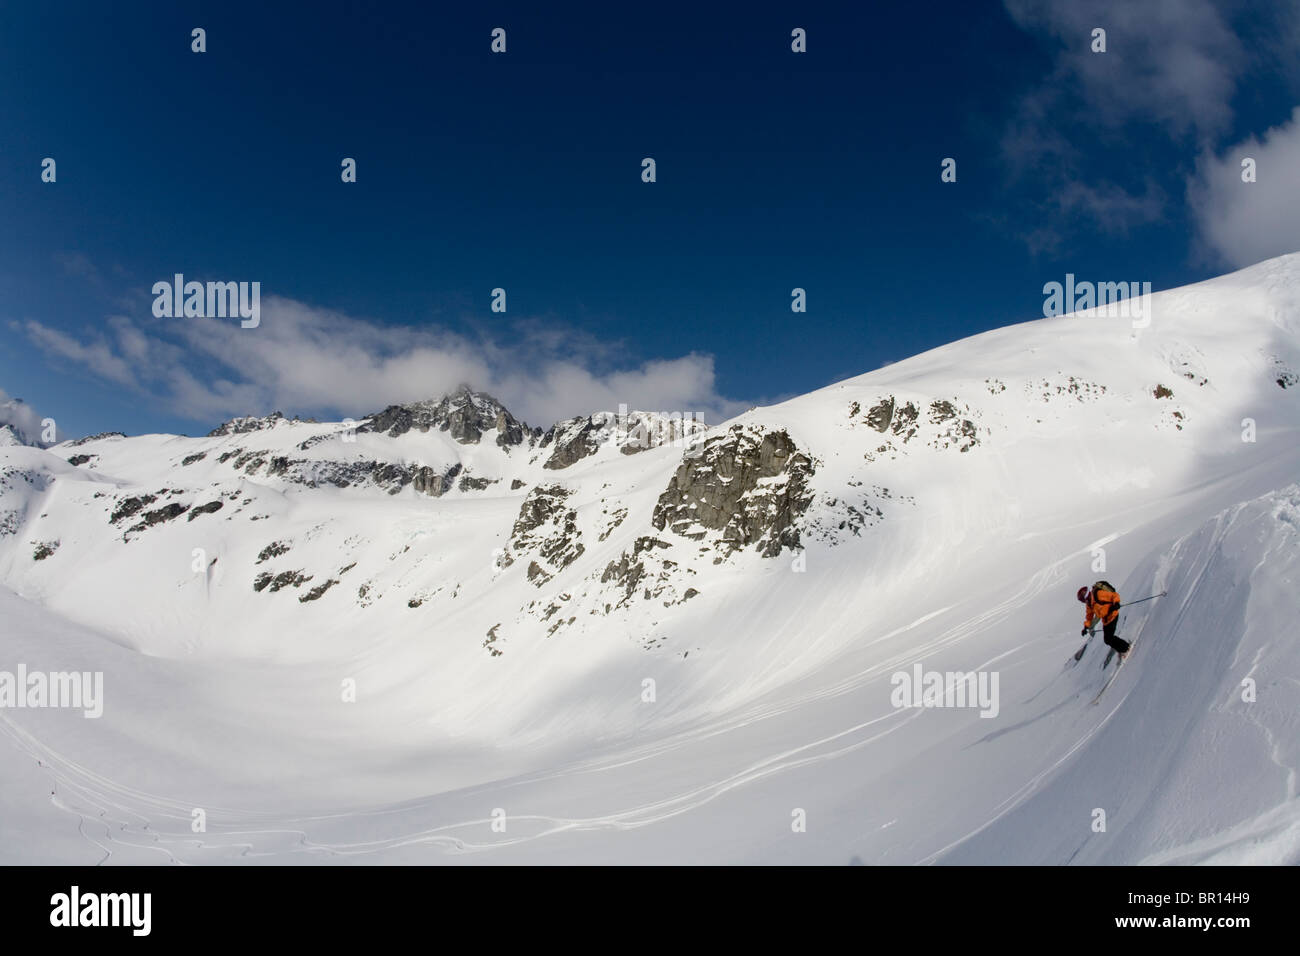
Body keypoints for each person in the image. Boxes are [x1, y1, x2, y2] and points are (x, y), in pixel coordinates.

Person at [1078, 581, 1130, 660]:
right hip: (1106, 620)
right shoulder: (1089, 603)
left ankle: (1125, 648)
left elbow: (1113, 595)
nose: (1084, 599)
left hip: (1112, 615)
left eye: (1083, 596)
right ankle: (1123, 648)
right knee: (1107, 640)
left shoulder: (1097, 594)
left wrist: (1116, 603)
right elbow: (1089, 616)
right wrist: (1086, 627)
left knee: (1109, 639)